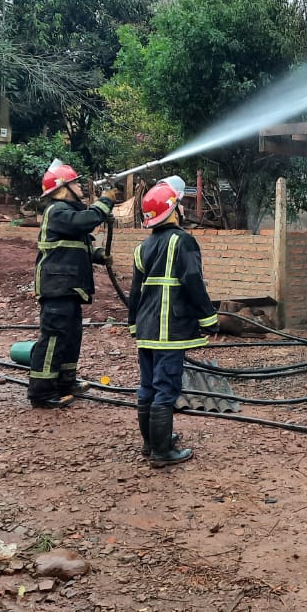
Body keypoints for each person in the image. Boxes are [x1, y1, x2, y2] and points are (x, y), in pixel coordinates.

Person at [126, 175, 219, 467]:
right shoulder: (183, 241)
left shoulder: (142, 247)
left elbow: (134, 291)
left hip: (146, 328)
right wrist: (209, 318)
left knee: (148, 386)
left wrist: (133, 325)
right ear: (173, 210)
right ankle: (162, 452)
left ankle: (150, 442)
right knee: (166, 387)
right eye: (179, 205)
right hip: (170, 328)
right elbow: (193, 282)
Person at [27, 159, 117, 408]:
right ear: (62, 187)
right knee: (54, 338)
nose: (80, 186)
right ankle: (42, 391)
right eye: (75, 182)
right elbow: (85, 222)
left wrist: (98, 255)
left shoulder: (67, 214)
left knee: (71, 336)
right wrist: (106, 200)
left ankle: (65, 382)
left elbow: (75, 243)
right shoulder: (57, 211)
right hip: (57, 288)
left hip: (68, 288)